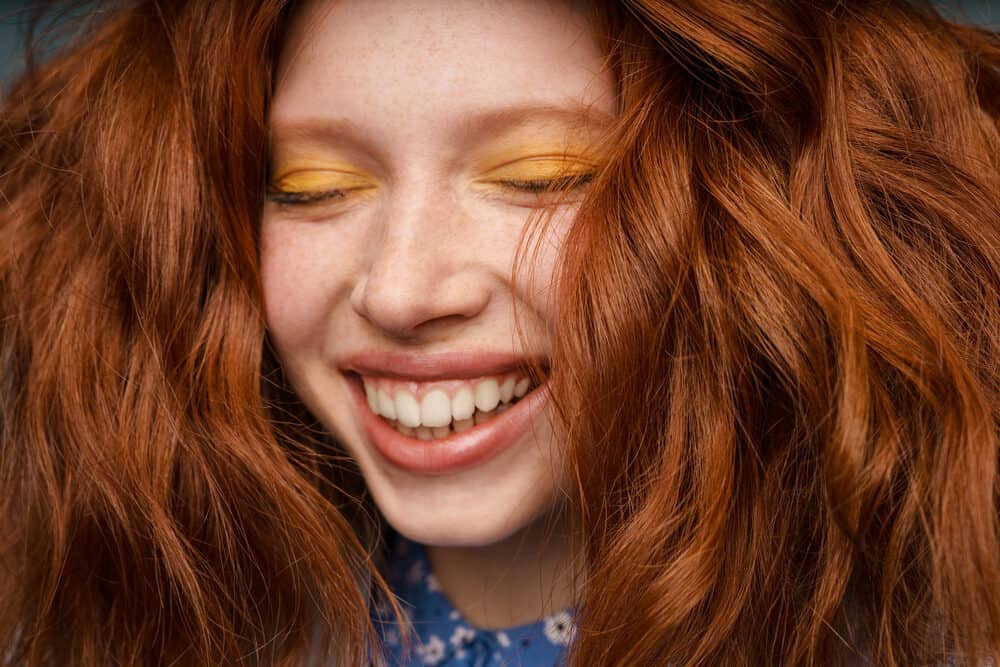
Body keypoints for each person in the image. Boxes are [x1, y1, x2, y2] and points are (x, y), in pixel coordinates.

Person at [1, 0, 997, 665]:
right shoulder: (173, 614)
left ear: (753, 209)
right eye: (315, 187)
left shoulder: (937, 626)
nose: (400, 288)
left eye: (541, 174)